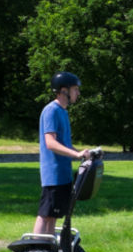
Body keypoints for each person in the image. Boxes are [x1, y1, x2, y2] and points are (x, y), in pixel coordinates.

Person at [33, 72, 90, 236]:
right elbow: (50, 142)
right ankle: (35, 251)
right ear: (64, 90)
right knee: (45, 214)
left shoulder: (63, 112)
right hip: (53, 172)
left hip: (63, 173)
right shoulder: (51, 110)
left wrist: (82, 153)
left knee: (54, 216)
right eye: (75, 89)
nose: (78, 93)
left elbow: (65, 144)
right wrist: (77, 154)